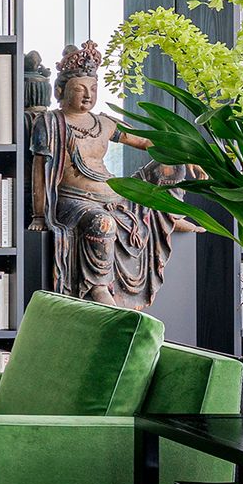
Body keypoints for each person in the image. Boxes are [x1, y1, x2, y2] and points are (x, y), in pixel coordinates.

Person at [29, 40, 202, 309]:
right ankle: (98, 285)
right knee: (103, 222)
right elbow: (40, 169)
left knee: (171, 165)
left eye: (93, 89)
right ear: (61, 90)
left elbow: (148, 141)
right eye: (80, 89)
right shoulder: (51, 123)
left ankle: (167, 216)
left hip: (115, 193)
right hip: (76, 201)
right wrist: (40, 215)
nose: (88, 95)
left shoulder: (104, 123)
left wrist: (190, 157)